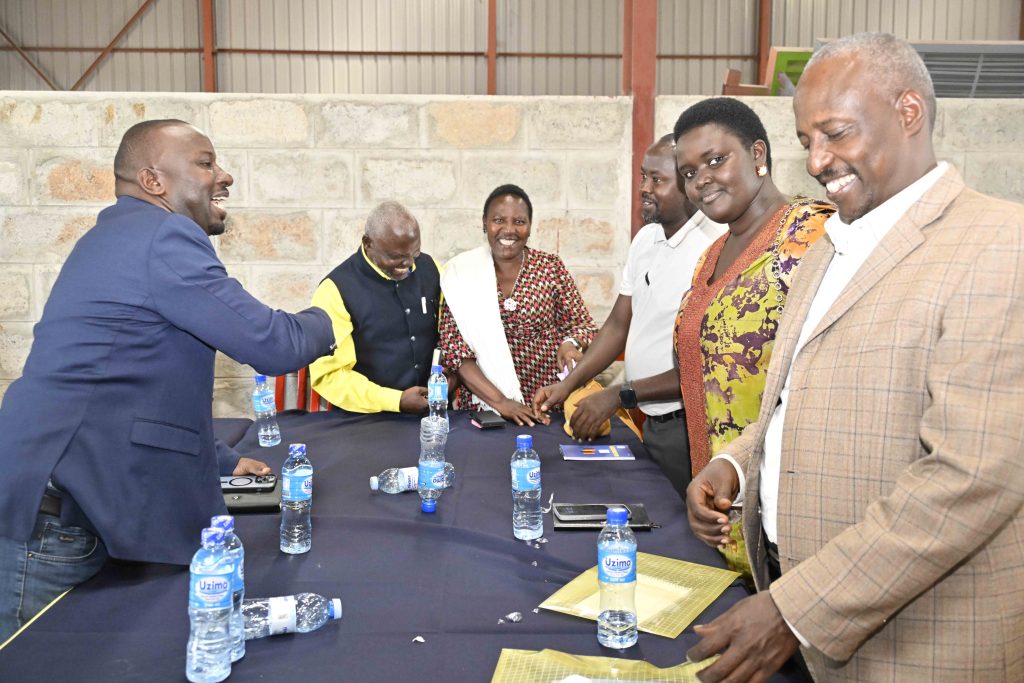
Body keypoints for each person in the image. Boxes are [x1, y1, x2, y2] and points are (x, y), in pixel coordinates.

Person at [685, 33, 1024, 682]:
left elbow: (968, 478)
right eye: (806, 139)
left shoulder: (999, 245)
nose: (817, 160)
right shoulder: (826, 251)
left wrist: (793, 611)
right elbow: (797, 402)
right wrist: (736, 461)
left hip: (920, 644)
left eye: (836, 133)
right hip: (812, 627)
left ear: (908, 113)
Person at [0, 119, 335, 641]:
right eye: (204, 162)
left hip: (62, 494)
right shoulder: (164, 236)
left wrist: (221, 459)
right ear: (154, 181)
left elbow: (130, 380)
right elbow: (271, 343)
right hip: (57, 518)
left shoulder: (116, 236)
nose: (224, 175)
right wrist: (333, 317)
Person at [532, 134, 725, 495]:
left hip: (688, 426)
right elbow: (618, 327)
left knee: (684, 538)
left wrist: (619, 396)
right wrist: (566, 385)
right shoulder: (645, 240)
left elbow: (703, 365)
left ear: (687, 185)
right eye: (642, 177)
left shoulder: (712, 251)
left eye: (657, 180)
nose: (644, 188)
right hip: (650, 419)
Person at [672, 98, 833, 484]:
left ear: (756, 153)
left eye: (715, 161)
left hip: (783, 483)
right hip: (715, 484)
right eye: (689, 172)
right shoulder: (710, 257)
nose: (701, 180)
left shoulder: (812, 235)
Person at [439, 184, 597, 426]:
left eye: (519, 221)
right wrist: (502, 402)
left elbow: (583, 325)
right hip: (487, 409)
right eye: (499, 220)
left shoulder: (550, 268)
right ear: (484, 223)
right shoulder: (462, 274)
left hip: (546, 405)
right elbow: (457, 354)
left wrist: (569, 343)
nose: (509, 230)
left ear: (530, 226)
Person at [309, 201, 441, 414]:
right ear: (368, 243)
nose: (408, 264)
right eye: (396, 257)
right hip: (367, 420)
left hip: (432, 414)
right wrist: (395, 400)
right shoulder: (335, 290)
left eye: (414, 254)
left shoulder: (431, 268)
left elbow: (453, 331)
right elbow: (330, 376)